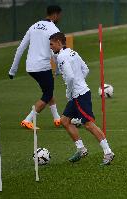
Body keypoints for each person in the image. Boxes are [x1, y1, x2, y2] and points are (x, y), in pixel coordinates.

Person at [49, 32, 115, 165]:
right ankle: (81, 149)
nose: (50, 47)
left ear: (59, 42)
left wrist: (70, 91)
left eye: (51, 44)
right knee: (65, 120)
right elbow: (86, 69)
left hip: (79, 95)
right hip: (80, 92)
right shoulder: (73, 52)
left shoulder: (61, 57)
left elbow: (71, 77)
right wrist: (80, 82)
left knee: (88, 124)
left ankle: (108, 152)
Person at [8, 5, 62, 129]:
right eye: (59, 15)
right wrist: (59, 68)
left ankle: (57, 118)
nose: (60, 18)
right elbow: (55, 51)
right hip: (42, 67)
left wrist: (13, 70)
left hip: (31, 67)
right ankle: (28, 120)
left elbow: (20, 48)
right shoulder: (53, 28)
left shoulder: (33, 26)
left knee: (47, 90)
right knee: (47, 94)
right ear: (55, 15)